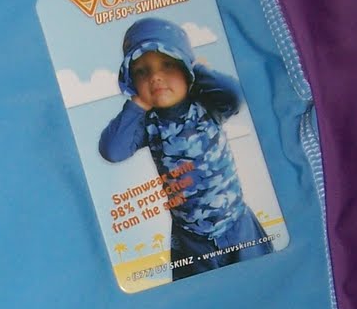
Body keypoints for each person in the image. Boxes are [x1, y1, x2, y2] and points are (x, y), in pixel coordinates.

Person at [98, 15, 272, 279]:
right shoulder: (148, 123)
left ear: (184, 67)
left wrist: (198, 71)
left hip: (236, 226)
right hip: (190, 240)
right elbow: (112, 151)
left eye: (168, 64)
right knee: (203, 294)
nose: (155, 77)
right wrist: (137, 104)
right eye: (141, 72)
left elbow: (234, 95)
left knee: (263, 279)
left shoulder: (207, 106)